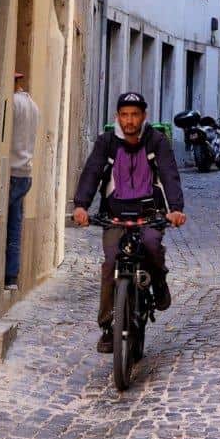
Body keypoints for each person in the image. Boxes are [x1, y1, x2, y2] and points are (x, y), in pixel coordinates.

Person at [73, 92, 186, 353]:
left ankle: (159, 283)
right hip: (115, 215)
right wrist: (81, 205)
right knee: (111, 263)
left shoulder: (156, 141)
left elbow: (169, 174)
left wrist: (176, 209)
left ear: (143, 116)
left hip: (150, 214)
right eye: (124, 114)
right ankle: (107, 325)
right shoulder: (107, 142)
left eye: (135, 114)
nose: (129, 120)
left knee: (151, 245)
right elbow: (92, 171)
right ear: (117, 117)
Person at [5, 73, 40, 290]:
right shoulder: (33, 106)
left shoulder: (13, 104)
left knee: (9, 225)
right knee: (15, 225)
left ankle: (8, 274)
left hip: (11, 170)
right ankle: (11, 277)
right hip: (25, 172)